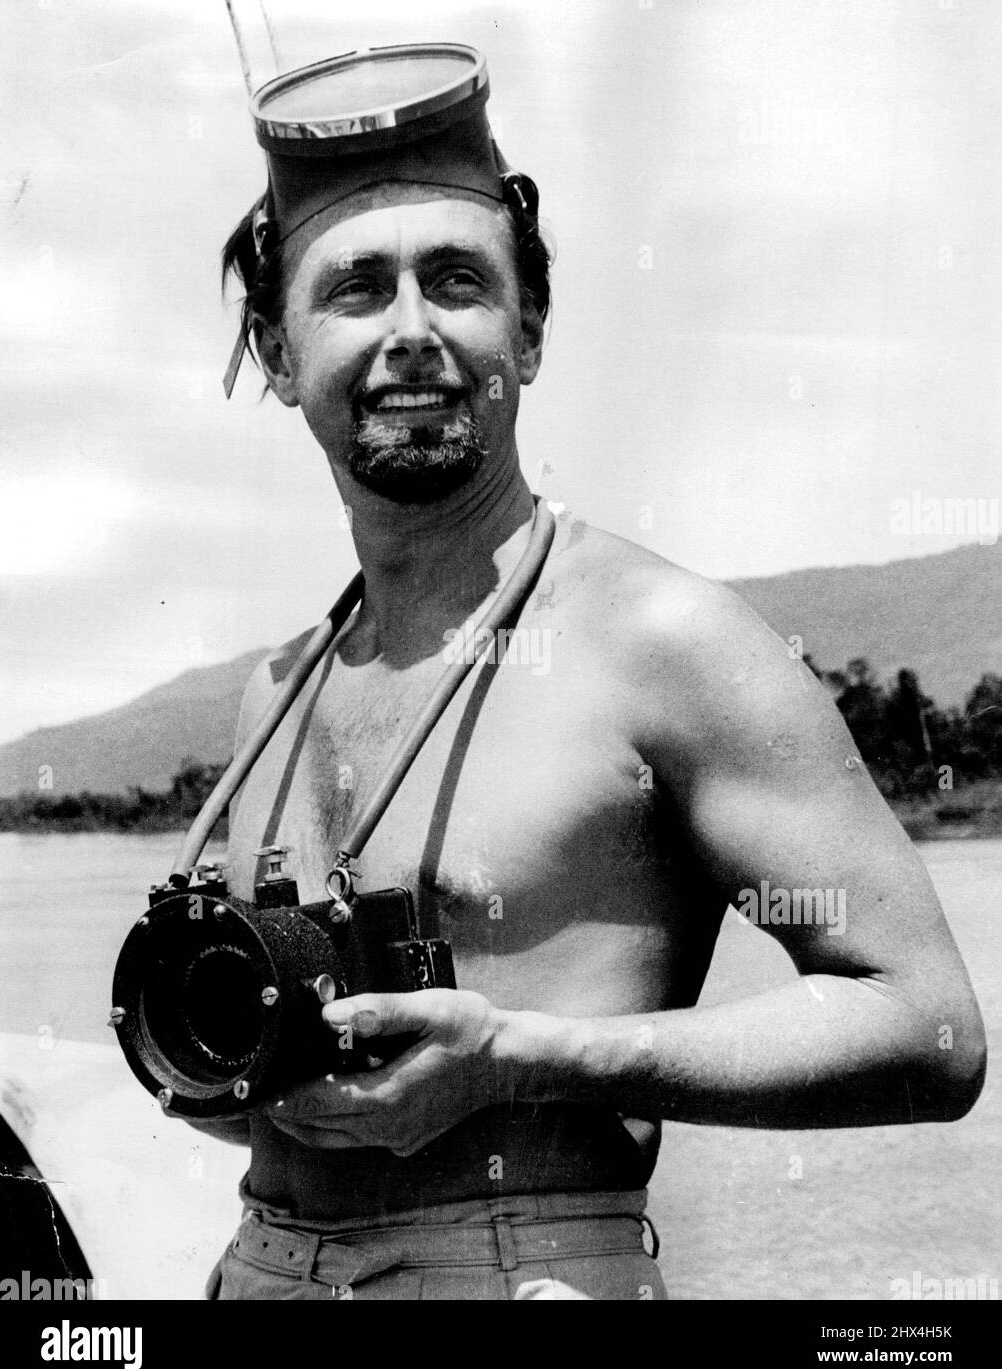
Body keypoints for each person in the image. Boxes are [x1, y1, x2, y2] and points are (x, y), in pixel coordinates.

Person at [191, 44, 985, 1300]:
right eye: (355, 290)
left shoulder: (665, 638)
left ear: (532, 329)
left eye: (456, 281)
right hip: (257, 1265)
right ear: (282, 356)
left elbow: (925, 1030)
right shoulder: (278, 687)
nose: (411, 333)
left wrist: (520, 1055)